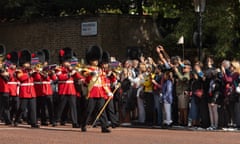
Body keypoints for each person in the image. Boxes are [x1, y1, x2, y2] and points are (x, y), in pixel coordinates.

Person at [81, 45, 112, 133]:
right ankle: (83, 124)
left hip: (100, 92)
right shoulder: (87, 68)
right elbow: (84, 74)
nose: (96, 61)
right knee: (89, 109)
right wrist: (91, 74)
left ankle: (104, 126)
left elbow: (103, 82)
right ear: (90, 60)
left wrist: (108, 92)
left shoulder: (100, 70)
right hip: (92, 91)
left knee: (101, 110)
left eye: (97, 60)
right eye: (94, 60)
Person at [52, 47, 82, 128]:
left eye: (69, 61)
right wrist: (69, 73)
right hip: (63, 90)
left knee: (73, 107)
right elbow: (61, 77)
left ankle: (75, 122)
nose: (68, 63)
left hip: (71, 90)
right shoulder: (58, 68)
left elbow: (78, 76)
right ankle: (56, 120)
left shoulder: (71, 68)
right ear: (63, 61)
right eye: (67, 61)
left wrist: (74, 71)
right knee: (61, 107)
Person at [14, 50, 39, 128]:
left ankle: (33, 123)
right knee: (22, 108)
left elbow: (38, 79)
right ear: (23, 63)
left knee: (33, 108)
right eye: (27, 63)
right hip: (24, 92)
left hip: (32, 92)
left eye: (29, 63)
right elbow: (21, 78)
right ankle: (16, 120)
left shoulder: (31, 71)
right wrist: (29, 73)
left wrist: (36, 72)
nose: (28, 64)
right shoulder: (19, 71)